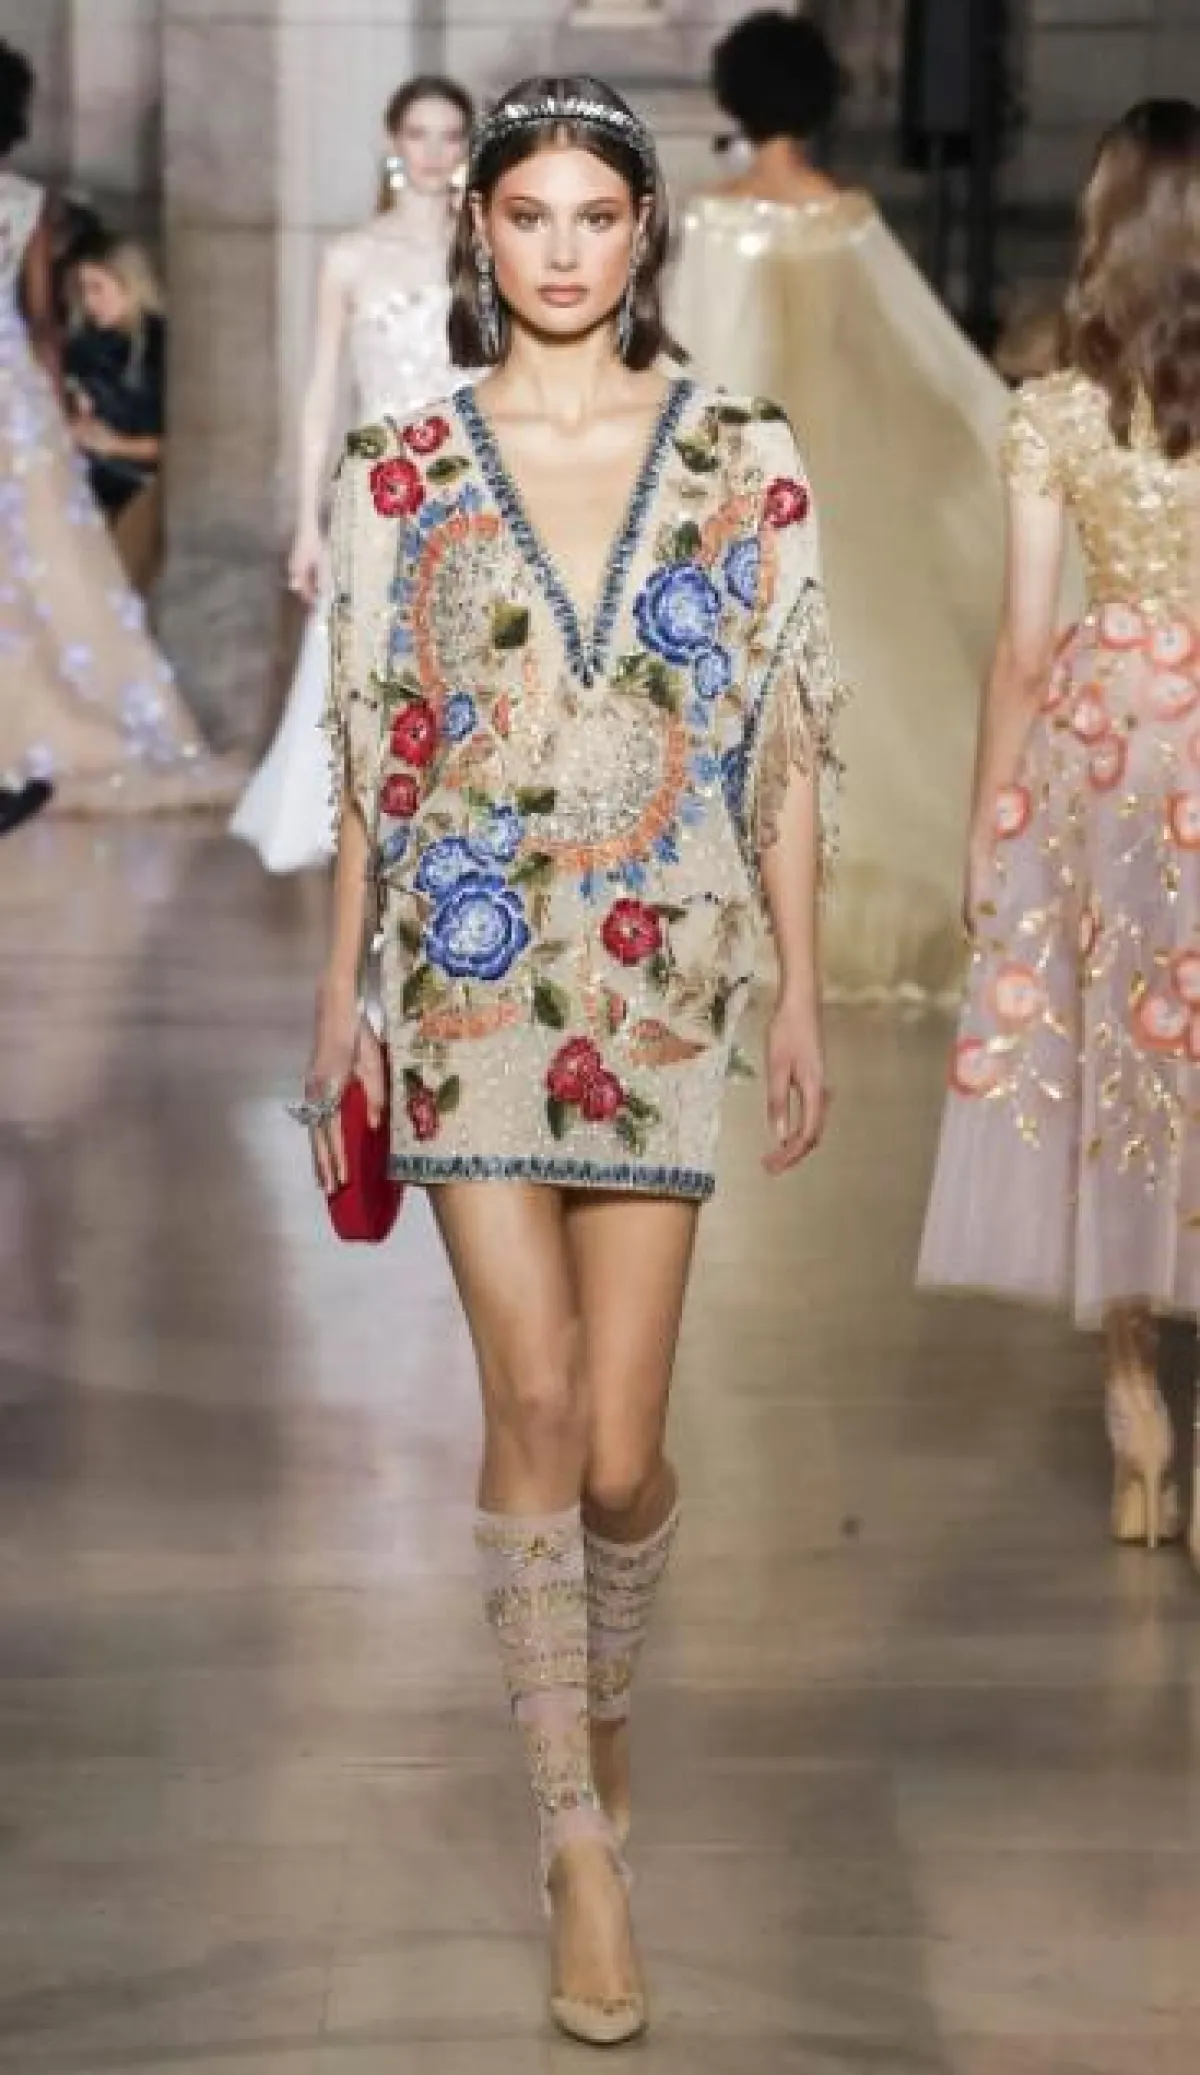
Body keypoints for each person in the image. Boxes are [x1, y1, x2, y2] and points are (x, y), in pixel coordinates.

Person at [293, 73, 845, 2043]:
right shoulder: (401, 462)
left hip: (662, 980)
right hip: (464, 978)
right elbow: (378, 740)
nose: (557, 248)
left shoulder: (743, 453)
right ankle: (574, 1840)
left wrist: (798, 984)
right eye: (524, 214)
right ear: (480, 229)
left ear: (643, 233)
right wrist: (341, 993)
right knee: (527, 1398)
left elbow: (783, 727)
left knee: (619, 1452)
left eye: (593, 216)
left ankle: (602, 1703)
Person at [918, 100, 1200, 1568]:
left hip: (1109, 743)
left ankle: (1136, 1403)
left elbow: (1025, 645)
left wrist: (985, 827)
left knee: (1118, 1051)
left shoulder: (1055, 412)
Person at [670, 8, 1030, 1003]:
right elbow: (914, 348)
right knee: (859, 686)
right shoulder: (849, 218)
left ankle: (739, 904)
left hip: (737, 482)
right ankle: (847, 898)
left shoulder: (710, 220)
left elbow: (693, 360)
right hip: (836, 481)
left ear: (733, 97)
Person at [229, 74, 475, 874]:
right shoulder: (350, 257)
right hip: (381, 487)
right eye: (419, 134)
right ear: (393, 142)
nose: (433, 151)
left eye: (450, 135)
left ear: (466, 148)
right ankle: (369, 822)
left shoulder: (486, 254)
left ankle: (450, 823)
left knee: (462, 660)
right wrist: (308, 522)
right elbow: (320, 396)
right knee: (368, 662)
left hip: (470, 483)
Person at [0, 40, 238, 814]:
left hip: (15, 397)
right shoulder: (26, 203)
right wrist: (48, 411)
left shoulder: (28, 206)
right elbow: (41, 324)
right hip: (13, 395)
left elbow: (43, 322)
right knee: (39, 565)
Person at [65, 237, 167, 593]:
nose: (90, 301)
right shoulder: (82, 346)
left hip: (143, 483)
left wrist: (115, 445)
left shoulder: (161, 347)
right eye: (84, 290)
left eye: (99, 289)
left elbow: (182, 446)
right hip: (88, 481)